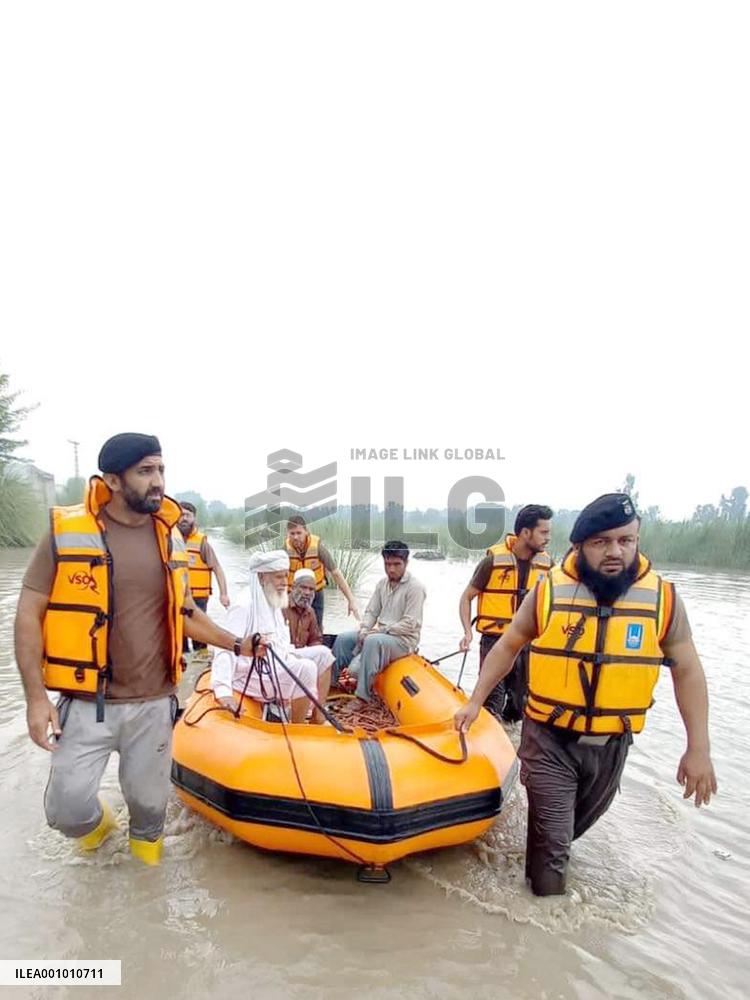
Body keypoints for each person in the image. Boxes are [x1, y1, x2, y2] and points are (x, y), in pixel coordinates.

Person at [14, 433, 265, 866]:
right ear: (112, 480)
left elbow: (186, 613)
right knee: (66, 811)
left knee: (150, 814)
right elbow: (27, 613)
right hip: (88, 701)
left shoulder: (170, 539)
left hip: (153, 703)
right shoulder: (66, 532)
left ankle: (148, 890)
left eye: (161, 469)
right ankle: (100, 833)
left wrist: (238, 645)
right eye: (145, 471)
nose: (158, 481)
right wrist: (36, 698)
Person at [454, 493, 718, 897]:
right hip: (549, 739)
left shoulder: (662, 599)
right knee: (552, 857)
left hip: (611, 746)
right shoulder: (549, 591)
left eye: (626, 540)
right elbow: (507, 645)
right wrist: (475, 703)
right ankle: (541, 917)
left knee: (565, 835)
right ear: (579, 545)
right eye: (601, 542)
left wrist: (699, 748)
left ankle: (536, 863)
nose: (615, 551)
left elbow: (688, 670)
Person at [211, 551, 335, 724]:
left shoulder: (272, 599)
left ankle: (318, 717)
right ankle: (296, 728)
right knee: (306, 668)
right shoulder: (244, 605)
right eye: (278, 577)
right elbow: (224, 647)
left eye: (285, 576)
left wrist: (291, 657)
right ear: (262, 577)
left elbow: (281, 643)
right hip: (249, 674)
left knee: (324, 655)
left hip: (278, 658)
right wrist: (223, 691)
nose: (284, 582)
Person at [458, 505, 553, 722]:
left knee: (519, 707)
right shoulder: (492, 562)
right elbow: (466, 597)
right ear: (525, 532)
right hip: (495, 640)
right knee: (492, 702)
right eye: (544, 532)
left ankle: (509, 736)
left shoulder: (548, 566)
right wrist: (467, 633)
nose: (548, 538)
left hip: (528, 644)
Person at [333, 541, 426, 702]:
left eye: (396, 564)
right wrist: (364, 629)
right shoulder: (382, 584)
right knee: (343, 639)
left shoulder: (416, 588)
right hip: (379, 635)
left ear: (406, 563)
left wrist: (381, 631)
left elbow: (410, 623)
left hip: (403, 640)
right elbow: (371, 612)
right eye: (388, 564)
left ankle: (363, 696)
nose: (391, 569)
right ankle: (332, 685)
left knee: (373, 641)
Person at [285, 515, 360, 628]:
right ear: (288, 534)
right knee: (293, 627)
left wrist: (351, 600)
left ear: (306, 531)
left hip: (315, 593)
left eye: (299, 533)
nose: (295, 537)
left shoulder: (318, 547)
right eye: (292, 533)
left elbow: (336, 573)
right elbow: (276, 577)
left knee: (316, 627)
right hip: (293, 595)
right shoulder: (285, 550)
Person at [178, 501, 230, 659]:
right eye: (181, 515)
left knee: (200, 633)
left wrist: (224, 594)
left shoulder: (202, 543)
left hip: (198, 598)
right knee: (179, 634)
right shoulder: (169, 539)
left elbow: (217, 568)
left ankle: (201, 661)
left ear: (194, 518)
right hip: (177, 597)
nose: (183, 518)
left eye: (187, 515)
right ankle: (183, 661)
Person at [284, 568, 324, 649]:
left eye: (311, 589)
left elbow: (315, 640)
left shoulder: (310, 612)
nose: (307, 593)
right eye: (303, 588)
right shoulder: (281, 607)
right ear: (293, 587)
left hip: (302, 654)